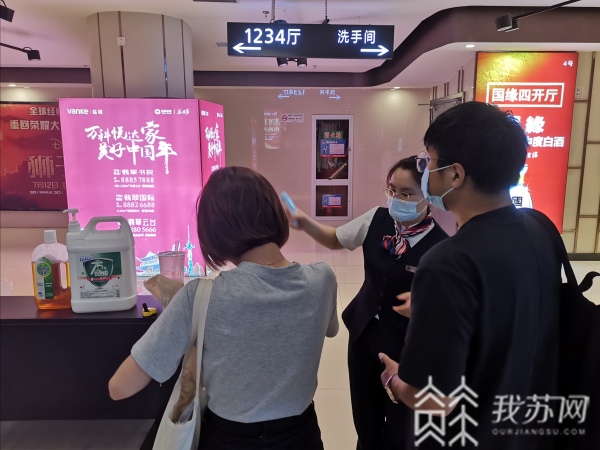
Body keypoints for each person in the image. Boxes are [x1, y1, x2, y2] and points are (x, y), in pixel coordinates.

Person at [109, 166, 339, 450]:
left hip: (228, 440)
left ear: (214, 232)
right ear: (275, 214)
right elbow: (329, 330)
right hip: (303, 437)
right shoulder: (322, 280)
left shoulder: (200, 295)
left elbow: (120, 387)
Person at [379, 102, 562, 449]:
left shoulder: (448, 263)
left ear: (455, 175)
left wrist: (394, 380)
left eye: (428, 161)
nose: (424, 171)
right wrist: (439, 308)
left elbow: (434, 399)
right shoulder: (540, 229)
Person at [288, 156, 448, 450]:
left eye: (407, 194)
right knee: (365, 416)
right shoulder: (376, 218)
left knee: (401, 423)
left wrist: (426, 307)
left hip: (406, 346)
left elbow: (451, 311)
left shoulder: (443, 246)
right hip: (364, 334)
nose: (396, 199)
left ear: (428, 196)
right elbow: (336, 239)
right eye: (392, 190)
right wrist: (305, 223)